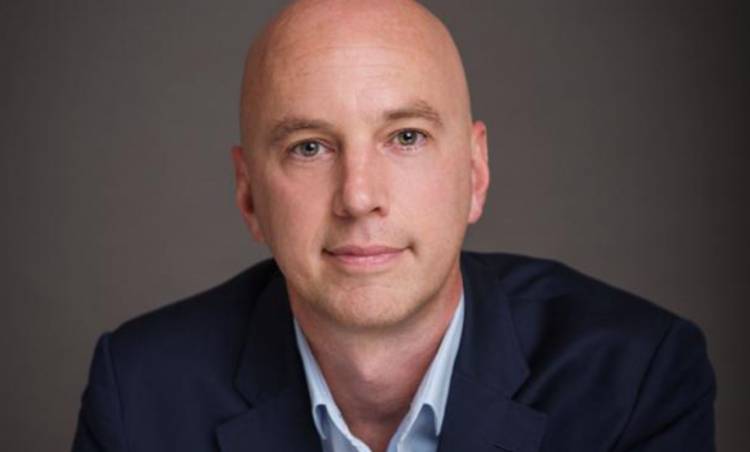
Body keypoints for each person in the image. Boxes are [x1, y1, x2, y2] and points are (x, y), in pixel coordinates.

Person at [72, 1, 716, 451]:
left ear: (475, 173)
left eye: (406, 137)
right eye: (308, 147)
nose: (359, 197)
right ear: (249, 196)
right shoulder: (139, 395)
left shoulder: (636, 378)